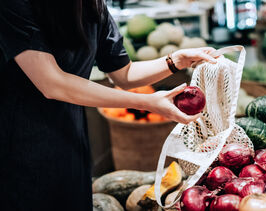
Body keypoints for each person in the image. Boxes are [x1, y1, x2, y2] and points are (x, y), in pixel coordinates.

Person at [0, 0, 217, 210]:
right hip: (20, 145)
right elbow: (53, 84)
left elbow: (124, 74)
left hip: (71, 141)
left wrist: (175, 61)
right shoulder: (15, 4)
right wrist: (148, 102)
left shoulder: (93, 6)